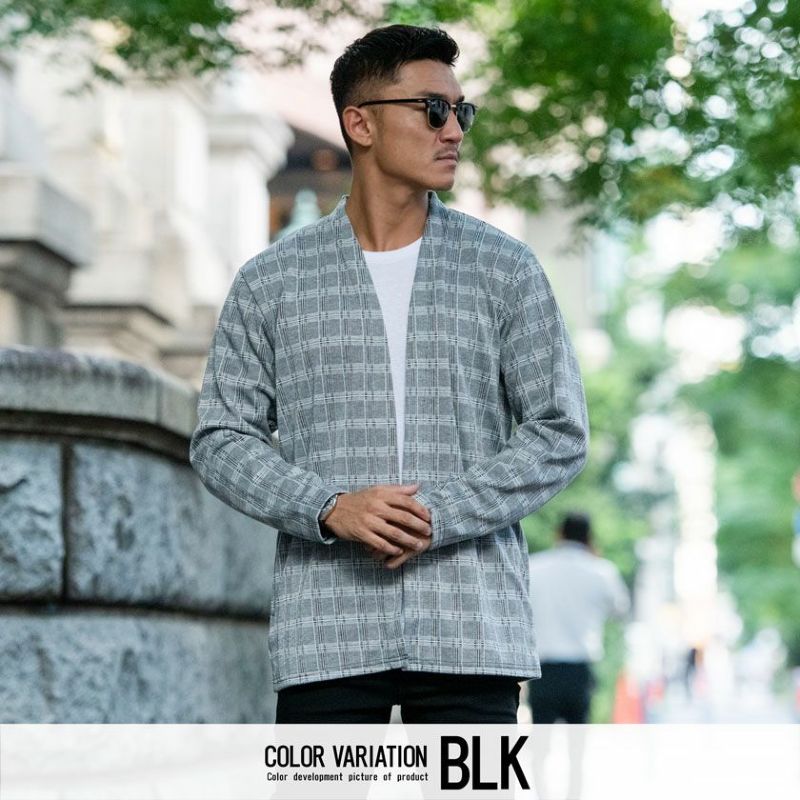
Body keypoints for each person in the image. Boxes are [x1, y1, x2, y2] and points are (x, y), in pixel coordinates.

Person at [189, 24, 589, 724]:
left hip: (471, 630)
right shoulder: (272, 280)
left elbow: (559, 431)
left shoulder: (505, 269)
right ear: (361, 124)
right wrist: (326, 506)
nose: (453, 131)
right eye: (432, 110)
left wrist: (441, 514)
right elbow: (221, 437)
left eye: (460, 112)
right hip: (326, 635)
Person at [526, 513, 631, 724]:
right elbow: (621, 611)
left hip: (543, 669)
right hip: (579, 669)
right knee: (577, 739)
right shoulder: (601, 571)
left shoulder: (533, 566)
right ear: (589, 538)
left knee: (541, 739)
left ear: (559, 534)